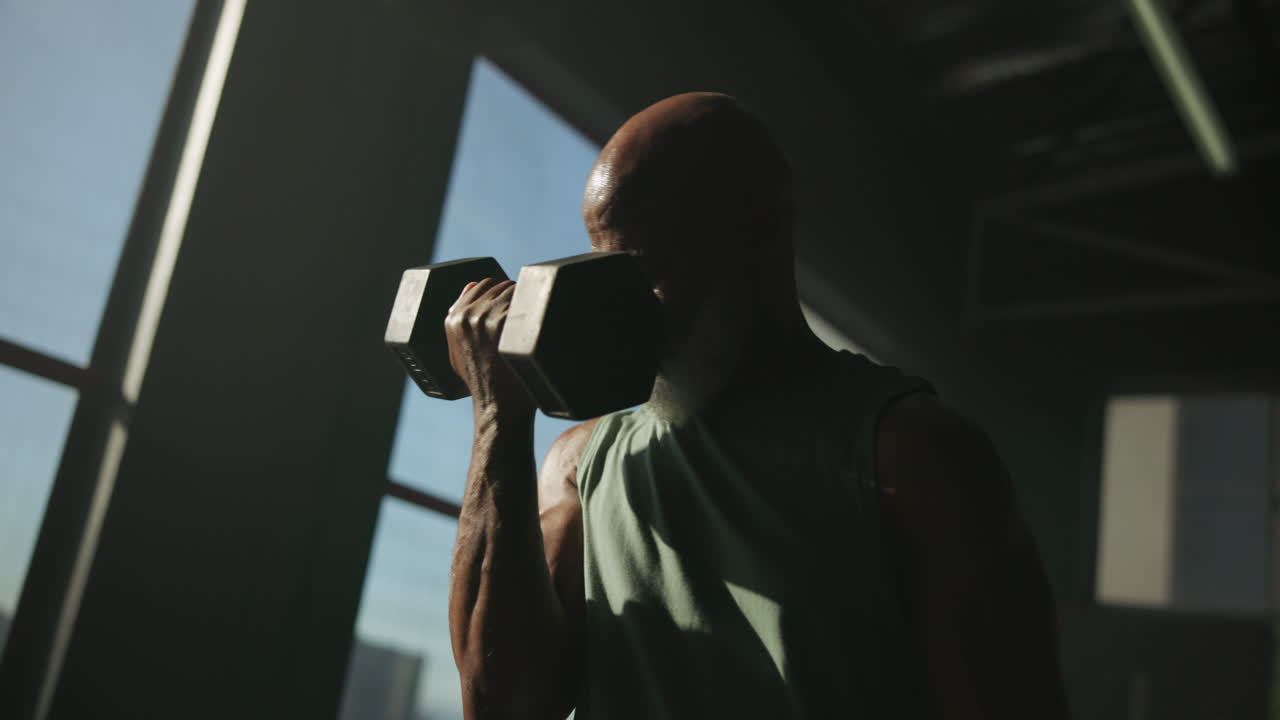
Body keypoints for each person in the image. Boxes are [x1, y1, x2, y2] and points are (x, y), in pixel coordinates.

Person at [445, 92, 1069, 719]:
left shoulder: (912, 455)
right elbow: (501, 710)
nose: (625, 308)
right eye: (610, 270)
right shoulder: (580, 467)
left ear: (763, 230)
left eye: (649, 268)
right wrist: (498, 414)